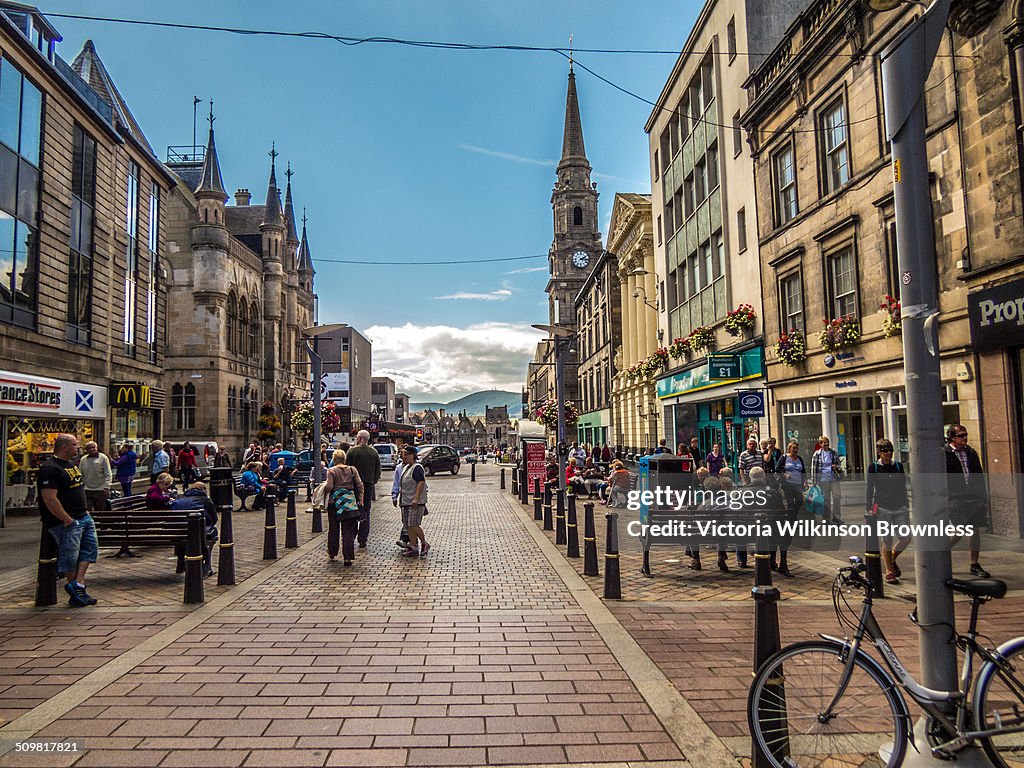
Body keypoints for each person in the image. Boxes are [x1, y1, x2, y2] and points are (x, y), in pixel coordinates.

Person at [38, 434, 97, 607]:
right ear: (64, 447)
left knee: (90, 549)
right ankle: (78, 591)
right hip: (66, 521)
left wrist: (85, 512)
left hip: (83, 516)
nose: (78, 448)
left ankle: (77, 585)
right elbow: (49, 498)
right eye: (74, 445)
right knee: (70, 556)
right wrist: (67, 519)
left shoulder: (71, 465)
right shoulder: (50, 468)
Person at [945, 424, 990, 577]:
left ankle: (974, 563)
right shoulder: (944, 454)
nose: (964, 438)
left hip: (973, 497)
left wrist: (983, 497)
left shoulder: (971, 452)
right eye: (961, 435)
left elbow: (978, 475)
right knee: (960, 529)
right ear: (952, 437)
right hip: (955, 498)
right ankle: (940, 554)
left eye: (965, 435)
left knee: (974, 529)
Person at [866, 438, 910, 585]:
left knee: (906, 537)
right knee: (887, 539)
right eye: (885, 451)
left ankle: (890, 559)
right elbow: (870, 488)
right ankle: (889, 571)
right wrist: (870, 508)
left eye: (890, 450)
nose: (888, 453)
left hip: (899, 507)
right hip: (882, 507)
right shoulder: (874, 467)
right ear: (879, 452)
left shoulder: (898, 466)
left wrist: (905, 503)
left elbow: (903, 486)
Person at [325, 449, 365, 566]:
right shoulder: (352, 469)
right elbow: (359, 485)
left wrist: (324, 487)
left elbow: (329, 487)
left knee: (334, 528)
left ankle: (332, 552)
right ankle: (348, 557)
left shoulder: (331, 471)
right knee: (348, 530)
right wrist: (361, 499)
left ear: (334, 459)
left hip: (334, 503)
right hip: (349, 503)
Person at [171, 481, 218, 578]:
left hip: (176, 531)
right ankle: (206, 567)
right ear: (203, 490)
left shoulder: (179, 498)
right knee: (211, 534)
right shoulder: (205, 499)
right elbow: (215, 518)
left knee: (183, 535)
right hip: (198, 532)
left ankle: (181, 564)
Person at [773, 441, 805, 576]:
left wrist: (804, 482)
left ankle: (793, 518)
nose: (796, 450)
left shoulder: (800, 459)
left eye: (797, 448)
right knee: (791, 504)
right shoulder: (784, 458)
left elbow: (803, 471)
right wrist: (785, 474)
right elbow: (777, 469)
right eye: (793, 448)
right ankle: (791, 518)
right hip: (787, 484)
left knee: (798, 501)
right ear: (789, 449)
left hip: (797, 484)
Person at [347, 429, 382, 549]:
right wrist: (373, 481)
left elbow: (347, 468)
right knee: (366, 511)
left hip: (354, 486)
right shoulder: (373, 452)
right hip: (368, 484)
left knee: (352, 511)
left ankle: (352, 535)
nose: (356, 439)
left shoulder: (352, 451)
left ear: (360, 438)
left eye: (357, 437)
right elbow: (378, 470)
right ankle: (363, 539)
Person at [397, 445, 429, 558]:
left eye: (405, 454)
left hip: (415, 502)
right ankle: (413, 546)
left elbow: (421, 482)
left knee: (413, 524)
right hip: (406, 501)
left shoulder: (417, 467)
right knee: (408, 526)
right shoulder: (406, 467)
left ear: (412, 455)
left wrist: (416, 497)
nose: (403, 457)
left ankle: (424, 543)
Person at [810, 436, 843, 523]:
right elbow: (814, 469)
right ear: (820, 444)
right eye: (824, 442)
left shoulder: (833, 452)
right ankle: (826, 518)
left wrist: (836, 466)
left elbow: (839, 465)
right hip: (823, 479)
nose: (826, 444)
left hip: (834, 478)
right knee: (826, 499)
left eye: (827, 442)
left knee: (837, 497)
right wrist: (814, 482)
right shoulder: (817, 454)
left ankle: (836, 517)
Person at [80, 441, 112, 512]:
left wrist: (107, 487)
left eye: (93, 447)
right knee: (86, 510)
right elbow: (81, 474)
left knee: (101, 510)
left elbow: (108, 473)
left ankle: (101, 523)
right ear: (86, 449)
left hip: (101, 490)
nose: (91, 449)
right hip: (87, 489)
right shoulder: (83, 459)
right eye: (89, 448)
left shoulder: (103, 458)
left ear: (97, 448)